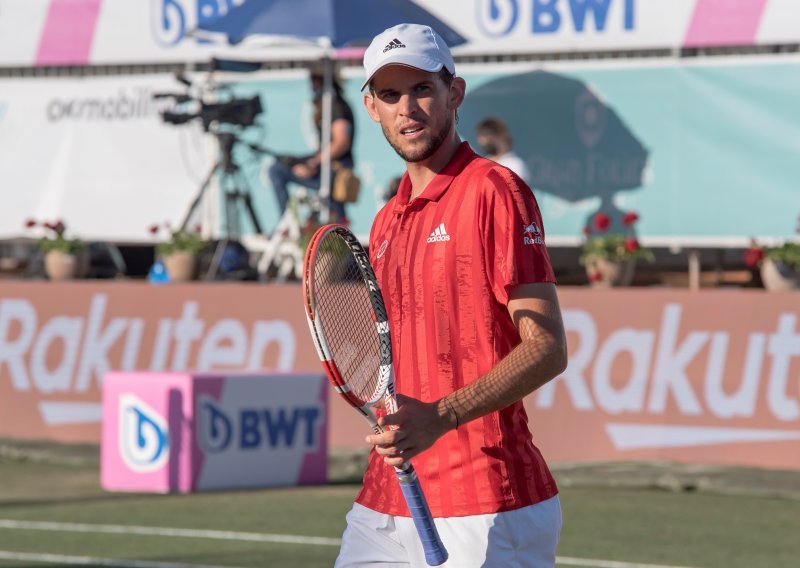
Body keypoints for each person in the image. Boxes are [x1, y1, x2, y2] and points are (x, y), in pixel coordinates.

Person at [335, 23, 568, 567]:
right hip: (389, 494)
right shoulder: (385, 220)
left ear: (454, 94)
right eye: (390, 95)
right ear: (371, 107)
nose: (407, 108)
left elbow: (547, 347)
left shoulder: (495, 190)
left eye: (422, 89)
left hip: (486, 499)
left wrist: (442, 414)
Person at [267, 67, 355, 222]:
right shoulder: (332, 104)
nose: (311, 86)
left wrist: (314, 163)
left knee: (277, 170)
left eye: (313, 80)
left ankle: (287, 224)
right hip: (330, 166)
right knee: (283, 163)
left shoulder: (336, 106)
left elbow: (342, 142)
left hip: (335, 169)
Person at [476, 116, 531, 184]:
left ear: (499, 135)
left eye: (485, 135)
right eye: (480, 136)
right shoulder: (482, 164)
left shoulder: (516, 164)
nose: (481, 141)